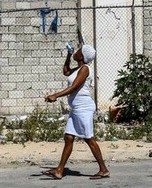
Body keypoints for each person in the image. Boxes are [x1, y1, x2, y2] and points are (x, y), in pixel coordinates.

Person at [43, 44, 110, 180]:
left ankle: (103, 169)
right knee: (69, 137)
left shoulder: (85, 69)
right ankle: (59, 170)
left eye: (79, 50)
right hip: (77, 108)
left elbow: (74, 87)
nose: (77, 51)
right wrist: (68, 55)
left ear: (82, 56)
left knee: (88, 138)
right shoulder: (79, 68)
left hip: (83, 108)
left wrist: (56, 95)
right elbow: (66, 72)